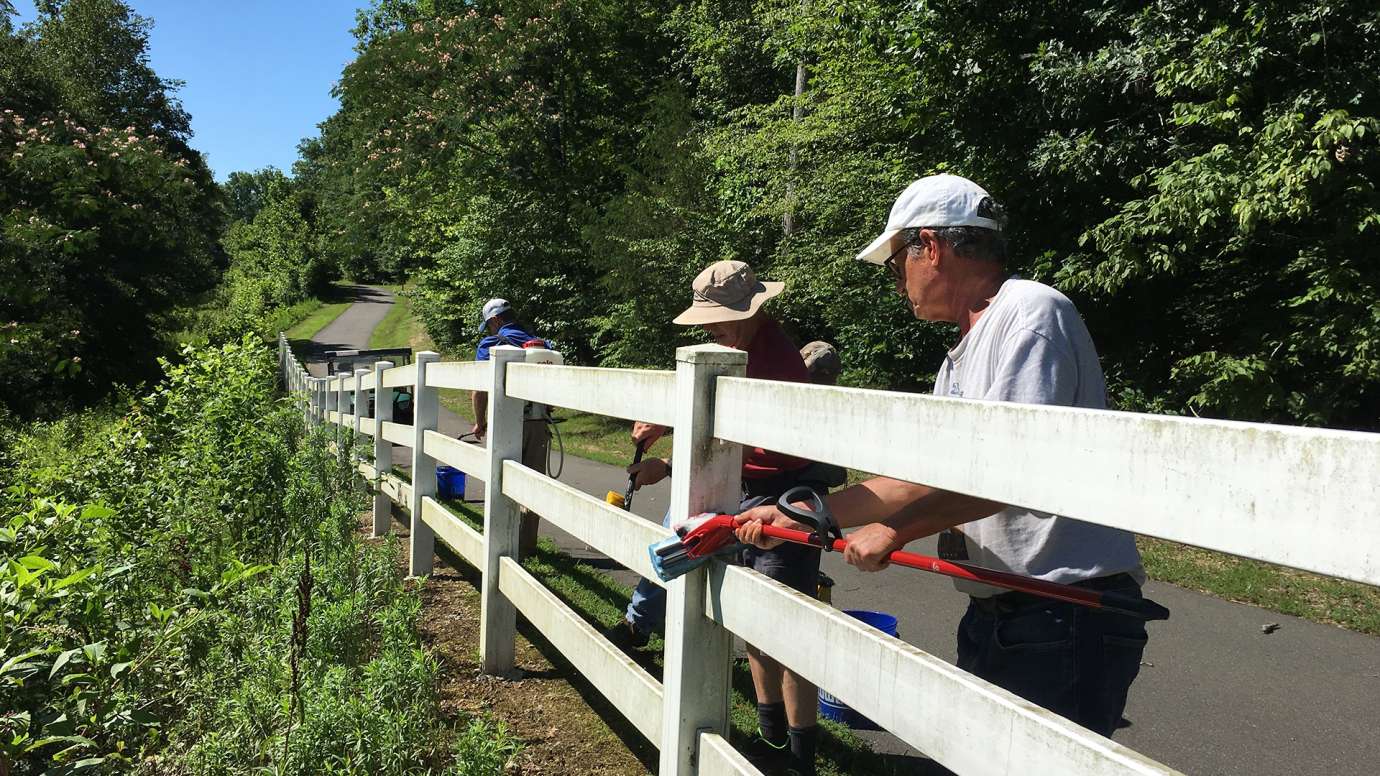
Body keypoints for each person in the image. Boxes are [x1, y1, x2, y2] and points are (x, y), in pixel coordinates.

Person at [736, 174, 1155, 739]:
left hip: (1064, 606)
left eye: (895, 263)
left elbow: (1011, 475)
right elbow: (922, 478)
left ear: (929, 247)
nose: (896, 280)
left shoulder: (1030, 315)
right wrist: (803, 514)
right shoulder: (960, 354)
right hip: (1003, 609)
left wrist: (895, 532)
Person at [610, 260, 830, 775]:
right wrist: (667, 455)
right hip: (740, 487)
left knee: (783, 624)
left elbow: (740, 440)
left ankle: (799, 754)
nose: (710, 328)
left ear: (753, 311)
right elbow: (714, 427)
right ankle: (774, 737)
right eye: (707, 319)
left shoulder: (768, 359)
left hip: (780, 493)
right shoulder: (736, 351)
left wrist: (668, 460)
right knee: (751, 618)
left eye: (720, 317)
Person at [469, 298, 553, 559]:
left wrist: (480, 421)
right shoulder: (541, 345)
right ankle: (527, 546)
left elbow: (479, 390)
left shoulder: (492, 345)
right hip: (539, 423)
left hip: (506, 423)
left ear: (495, 321)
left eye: (490, 325)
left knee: (502, 481)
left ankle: (502, 543)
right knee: (533, 484)